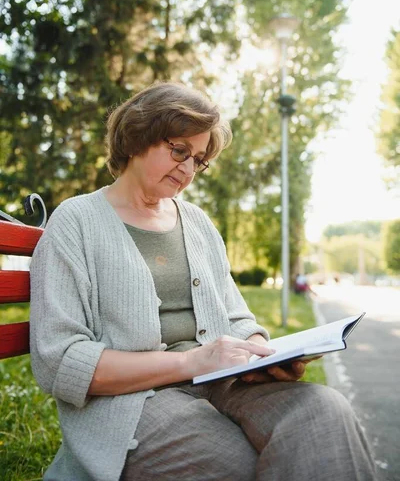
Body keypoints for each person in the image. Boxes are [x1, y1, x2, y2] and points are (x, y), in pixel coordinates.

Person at [29, 82, 377, 481]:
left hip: (222, 383)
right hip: (134, 402)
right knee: (236, 461)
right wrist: (189, 361)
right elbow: (60, 362)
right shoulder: (76, 222)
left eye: (199, 160)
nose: (189, 169)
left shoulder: (197, 223)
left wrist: (265, 354)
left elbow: (236, 316)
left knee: (323, 414)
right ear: (138, 135)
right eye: (180, 151)